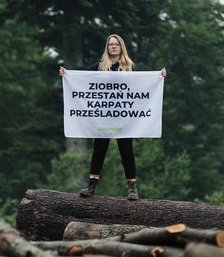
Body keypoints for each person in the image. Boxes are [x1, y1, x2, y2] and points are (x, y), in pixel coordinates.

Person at [59, 34, 166, 200]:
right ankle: (92, 185)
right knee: (99, 149)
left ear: (121, 47)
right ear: (107, 48)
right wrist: (66, 74)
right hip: (103, 116)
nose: (113, 47)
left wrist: (159, 76)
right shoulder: (100, 67)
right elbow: (82, 81)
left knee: (126, 150)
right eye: (110, 45)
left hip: (124, 118)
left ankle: (132, 188)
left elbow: (142, 86)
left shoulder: (130, 67)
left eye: (116, 44)